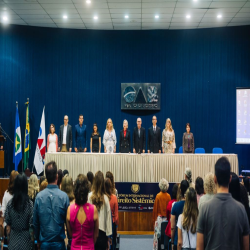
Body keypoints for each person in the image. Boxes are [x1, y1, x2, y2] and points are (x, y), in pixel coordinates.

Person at [196, 157, 250, 250]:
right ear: (229, 179)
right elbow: (246, 247)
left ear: (215, 179)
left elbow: (199, 247)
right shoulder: (241, 209)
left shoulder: (204, 209)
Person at [33, 161, 70, 250]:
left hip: (44, 244)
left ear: (46, 177)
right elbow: (68, 222)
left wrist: (37, 240)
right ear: (57, 176)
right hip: (59, 244)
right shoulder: (64, 197)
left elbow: (35, 223)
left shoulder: (39, 197)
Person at [66, 174, 99, 250]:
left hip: (74, 247)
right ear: (87, 191)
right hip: (89, 247)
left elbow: (70, 234)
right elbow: (96, 234)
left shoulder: (69, 209)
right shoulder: (93, 209)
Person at [4, 174, 33, 250]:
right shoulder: (29, 204)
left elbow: (8, 227)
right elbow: (31, 226)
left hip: (13, 241)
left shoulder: (10, 204)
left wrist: (9, 240)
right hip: (26, 243)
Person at [88, 171, 112, 250]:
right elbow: (108, 218)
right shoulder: (106, 198)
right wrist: (109, 236)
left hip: (90, 232)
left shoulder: (89, 196)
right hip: (102, 233)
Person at [153, 178, 171, 250]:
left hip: (159, 220)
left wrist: (154, 222)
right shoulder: (169, 196)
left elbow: (155, 211)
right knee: (165, 238)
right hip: (166, 220)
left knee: (157, 239)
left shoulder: (158, 196)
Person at [171, 180, 189, 250]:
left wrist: (172, 241)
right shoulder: (192, 206)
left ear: (180, 191)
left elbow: (172, 227)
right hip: (188, 241)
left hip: (177, 239)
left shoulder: (175, 205)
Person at [105, 178, 119, 250]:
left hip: (103, 223)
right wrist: (116, 227)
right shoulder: (114, 197)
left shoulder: (102, 198)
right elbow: (116, 215)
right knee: (112, 242)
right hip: (112, 222)